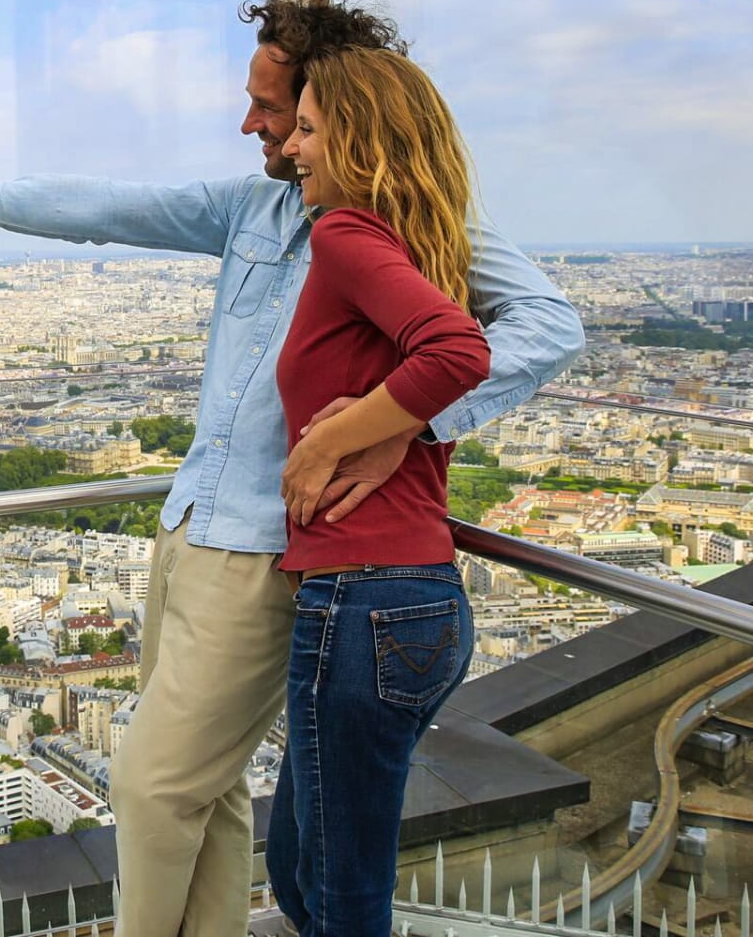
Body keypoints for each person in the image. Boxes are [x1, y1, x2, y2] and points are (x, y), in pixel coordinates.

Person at [0, 0, 582, 937]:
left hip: (268, 547)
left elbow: (546, 327)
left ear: (330, 113)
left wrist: (401, 423)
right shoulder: (254, 210)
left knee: (155, 785)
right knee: (209, 786)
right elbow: (106, 206)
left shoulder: (411, 222)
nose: (253, 125)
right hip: (189, 525)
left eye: (273, 109)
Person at [267, 45, 488, 936]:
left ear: (357, 140)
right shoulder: (425, 247)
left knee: (340, 896)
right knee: (304, 870)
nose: (291, 150)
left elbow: (459, 353)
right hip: (413, 602)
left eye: (309, 130)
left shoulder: (347, 234)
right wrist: (386, 426)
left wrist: (329, 440)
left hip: (363, 606)